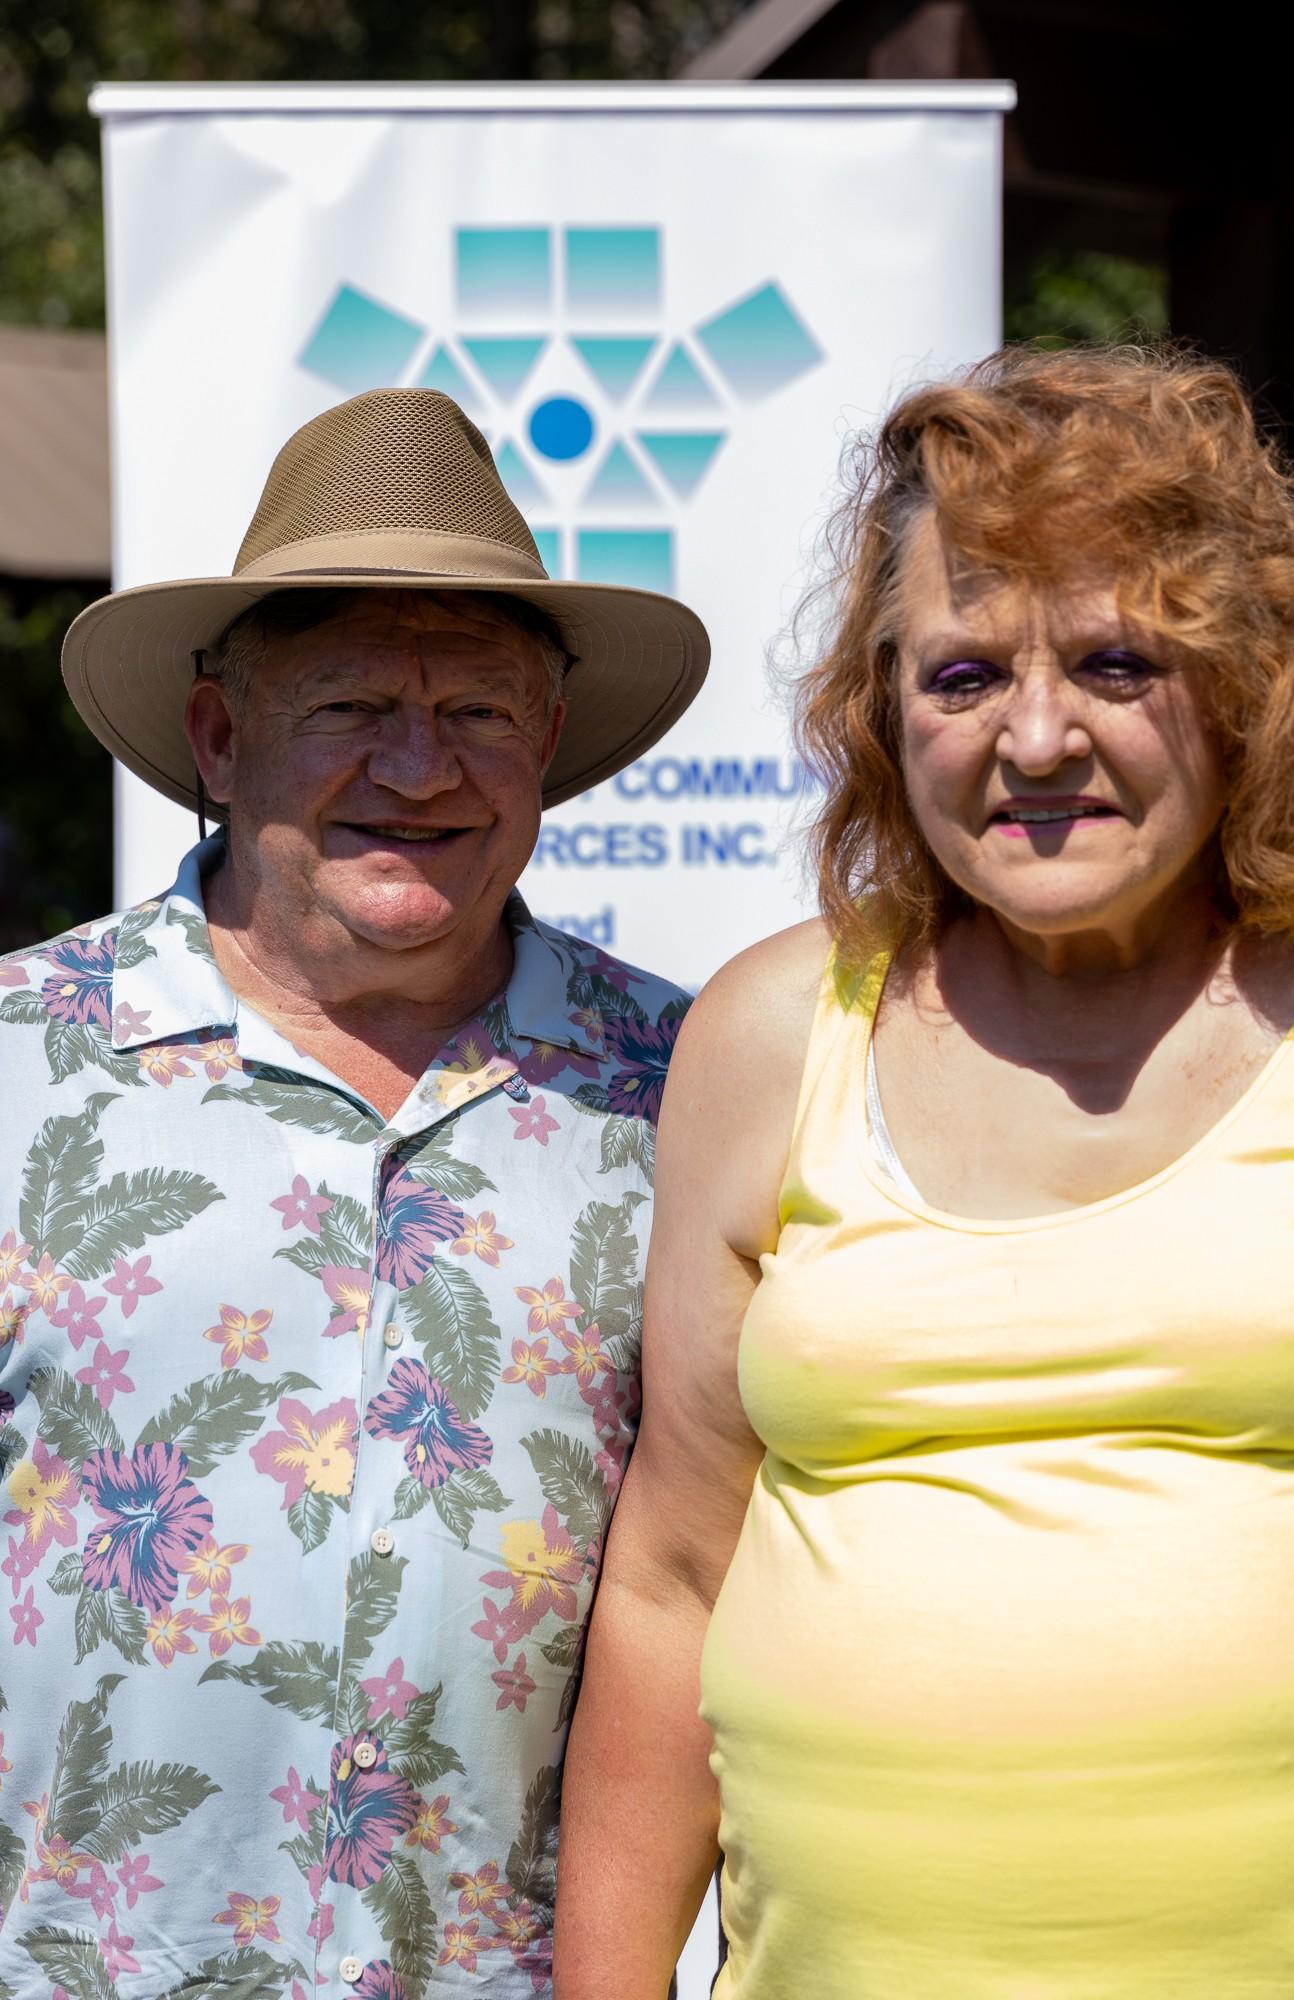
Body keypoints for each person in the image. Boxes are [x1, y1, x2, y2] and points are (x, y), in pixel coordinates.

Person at [555, 343, 1294, 1999]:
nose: (1036, 737)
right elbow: (671, 1580)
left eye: (1117, 661)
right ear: (879, 708)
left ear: (1242, 684)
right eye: (964, 675)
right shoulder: (774, 1032)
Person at [0, 386, 707, 1999]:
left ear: (546, 743)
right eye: (348, 708)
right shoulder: (20, 1064)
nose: (417, 765)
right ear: (220, 739)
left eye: (475, 709)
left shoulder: (683, 1089)